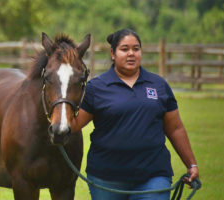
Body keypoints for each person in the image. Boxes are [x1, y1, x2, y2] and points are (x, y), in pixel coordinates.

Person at [72, 28, 199, 200]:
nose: (131, 53)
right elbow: (74, 124)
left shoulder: (159, 85)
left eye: (136, 49)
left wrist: (191, 164)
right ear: (113, 53)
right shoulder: (96, 88)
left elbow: (175, 128)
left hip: (153, 175)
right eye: (124, 49)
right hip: (106, 179)